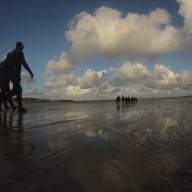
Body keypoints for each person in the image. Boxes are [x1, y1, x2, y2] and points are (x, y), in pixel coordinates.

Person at [7, 42, 33, 112]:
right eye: (22, 46)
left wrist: (30, 72)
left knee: (15, 91)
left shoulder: (17, 53)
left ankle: (3, 99)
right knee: (18, 90)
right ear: (18, 46)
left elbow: (23, 63)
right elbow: (22, 64)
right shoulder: (15, 53)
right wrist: (30, 72)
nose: (23, 47)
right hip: (13, 75)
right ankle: (20, 108)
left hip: (15, 75)